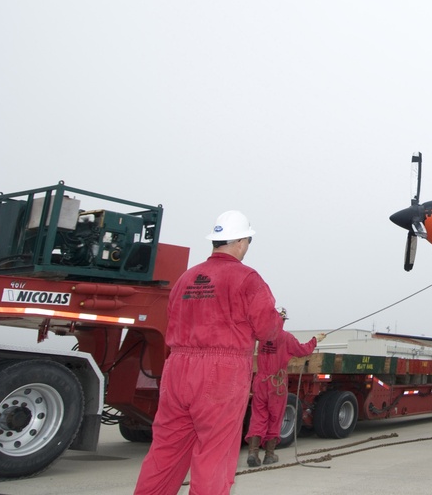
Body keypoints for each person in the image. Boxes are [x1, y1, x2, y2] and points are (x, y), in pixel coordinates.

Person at [134, 210, 284, 495]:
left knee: (165, 452)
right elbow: (266, 329)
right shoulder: (247, 278)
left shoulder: (186, 278)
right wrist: (277, 320)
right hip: (221, 375)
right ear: (241, 241)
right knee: (214, 455)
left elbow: (173, 318)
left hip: (177, 368)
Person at [245, 308, 326, 466]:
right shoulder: (286, 338)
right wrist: (315, 340)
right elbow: (303, 350)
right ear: (282, 321)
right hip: (277, 383)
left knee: (258, 417)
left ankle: (253, 453)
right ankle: (269, 455)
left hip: (260, 381)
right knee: (275, 418)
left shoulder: (261, 337)